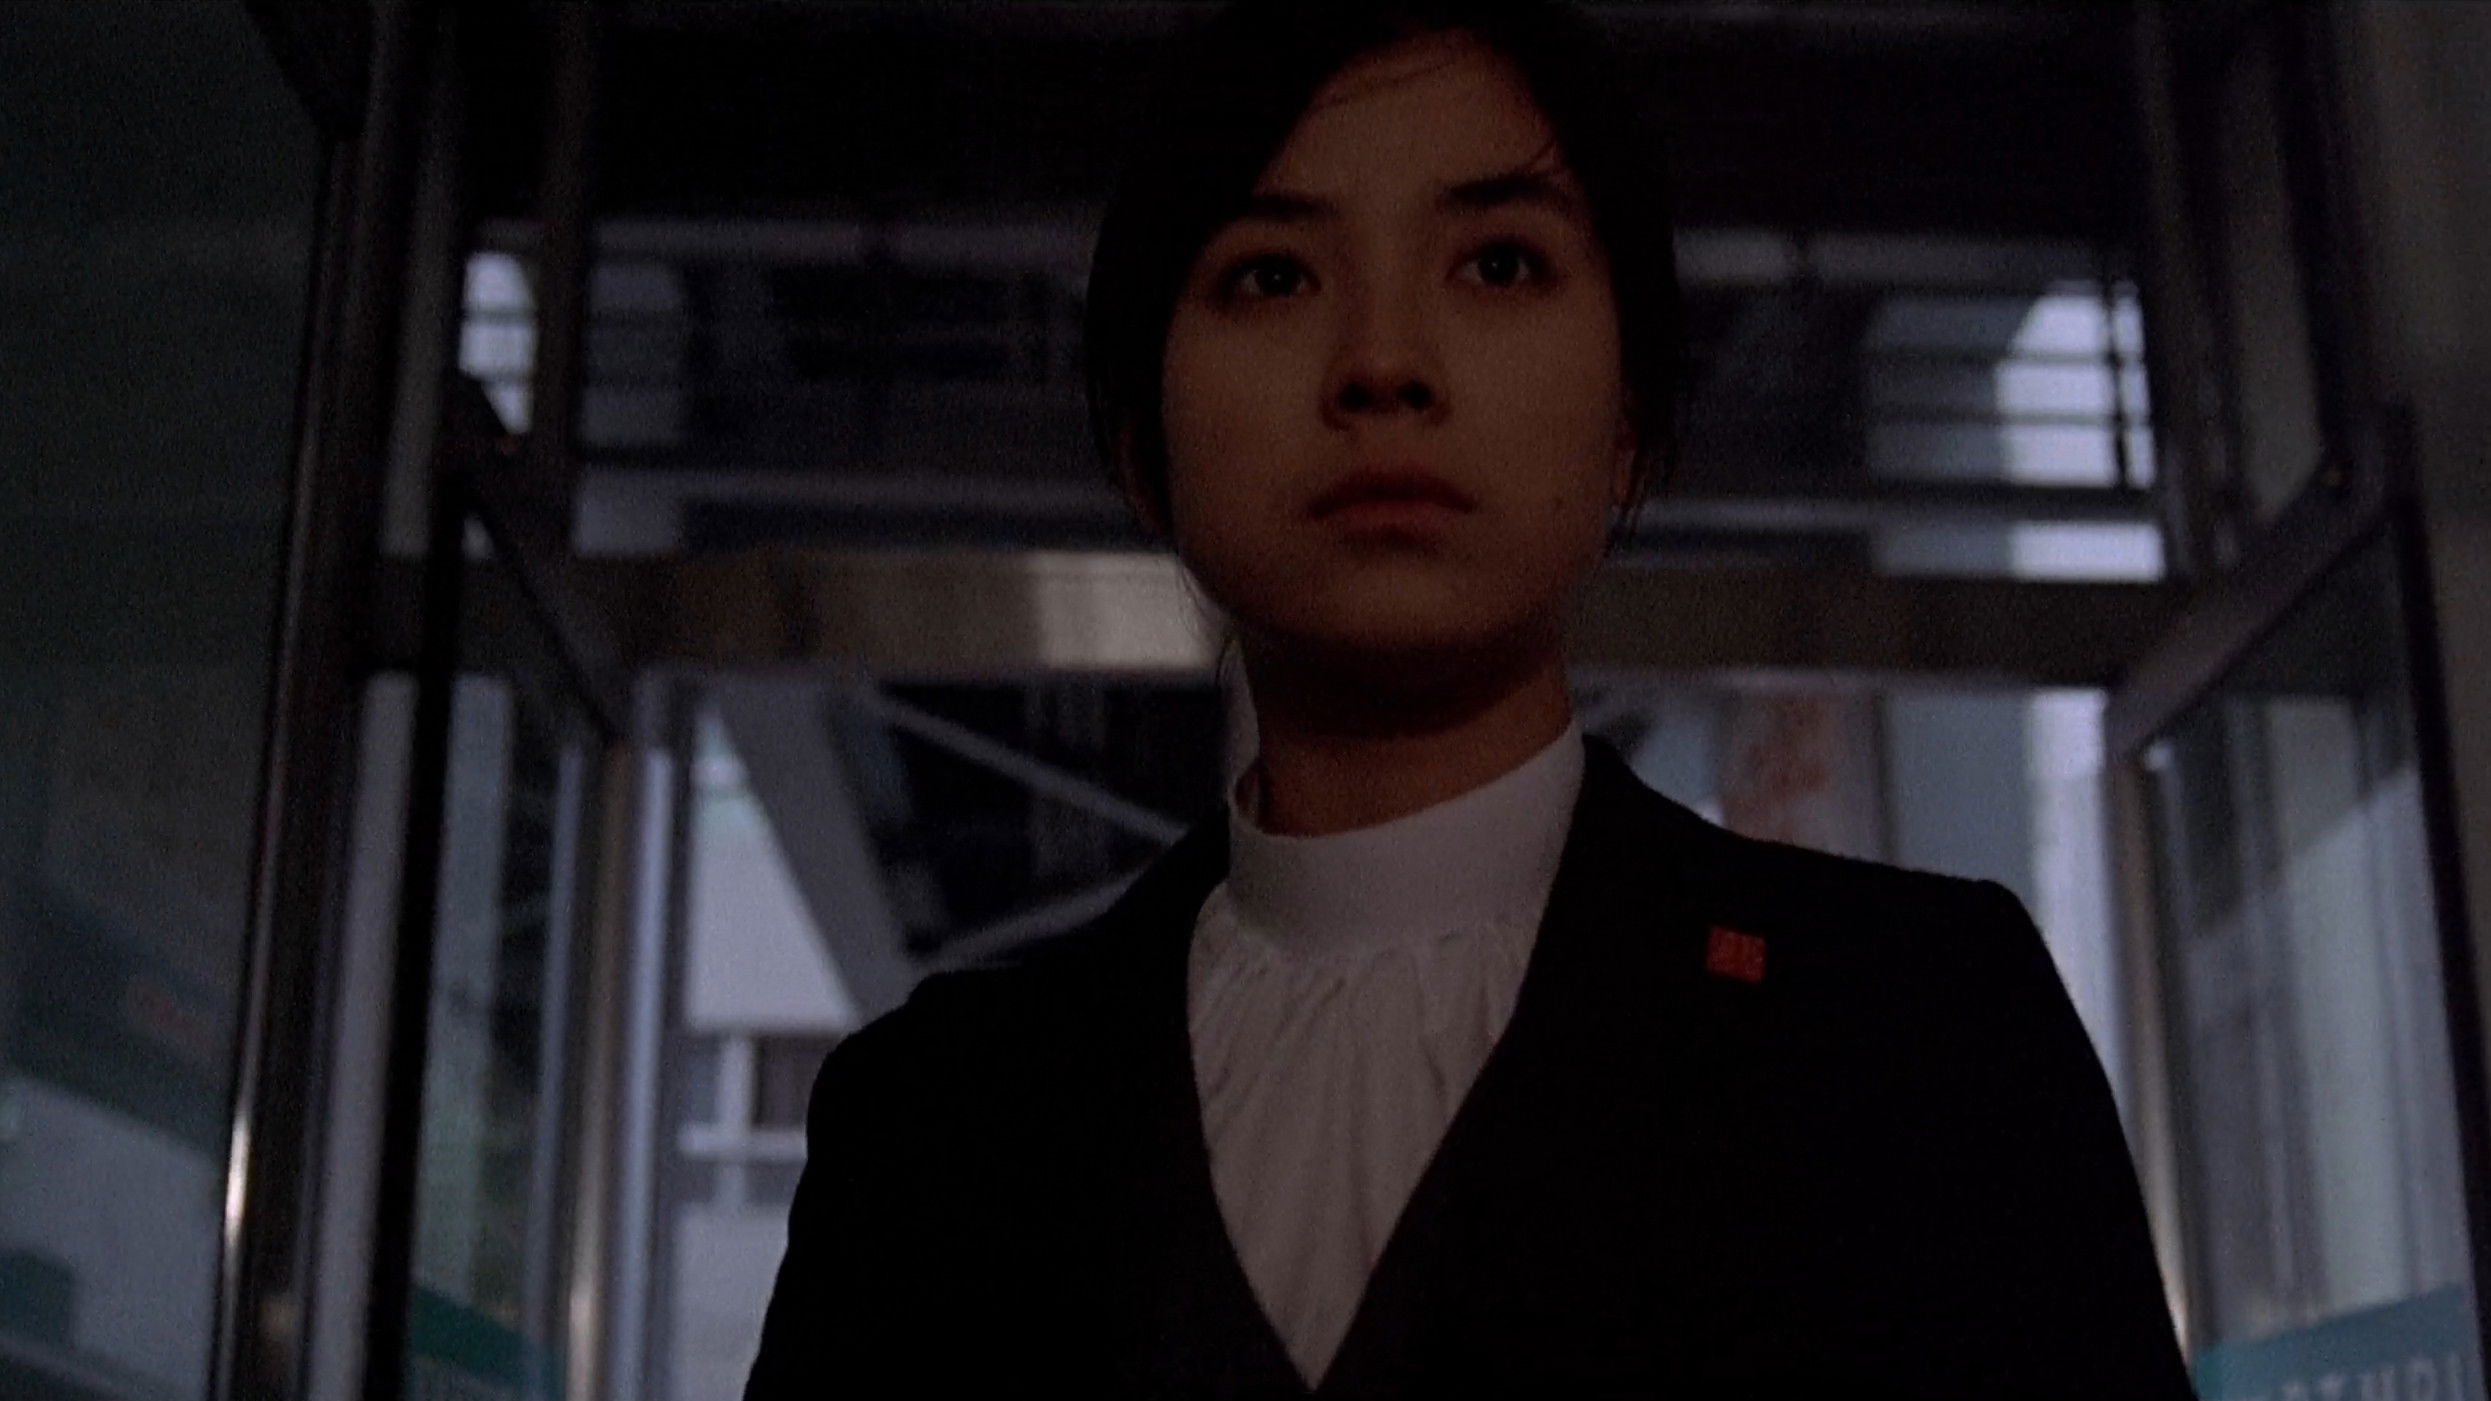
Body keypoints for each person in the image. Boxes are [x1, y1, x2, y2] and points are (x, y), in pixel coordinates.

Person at [746, 0, 2194, 1394]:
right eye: (1272, 274)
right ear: (1144, 450)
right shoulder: (932, 1120)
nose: (1384, 364)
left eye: (1499, 264)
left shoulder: (1923, 1029)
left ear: (1630, 426)